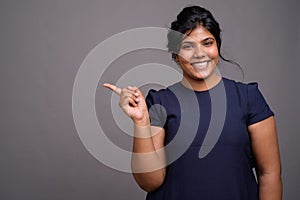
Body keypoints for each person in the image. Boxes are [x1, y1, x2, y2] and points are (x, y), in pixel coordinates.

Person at [104, 5, 282, 200]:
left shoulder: (248, 98)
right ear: (175, 54)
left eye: (207, 43)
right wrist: (141, 123)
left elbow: (269, 174)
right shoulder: (159, 101)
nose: (199, 53)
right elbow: (150, 182)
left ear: (217, 46)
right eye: (188, 46)